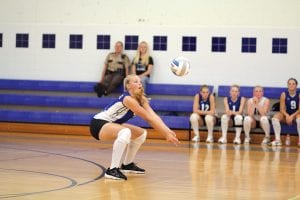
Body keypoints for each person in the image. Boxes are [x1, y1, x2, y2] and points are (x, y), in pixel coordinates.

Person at [89, 74, 179, 180]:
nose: (139, 83)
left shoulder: (141, 99)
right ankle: (112, 170)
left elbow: (153, 116)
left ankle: (127, 164)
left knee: (141, 134)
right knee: (125, 132)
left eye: (140, 82)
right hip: (98, 124)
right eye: (135, 81)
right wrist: (165, 134)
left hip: (113, 124)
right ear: (128, 86)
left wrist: (168, 131)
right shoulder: (128, 99)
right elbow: (148, 119)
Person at [271, 78, 300, 146]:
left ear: (296, 85)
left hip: (296, 115)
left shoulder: (299, 95)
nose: (291, 85)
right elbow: (282, 109)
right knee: (275, 118)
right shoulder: (284, 94)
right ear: (287, 85)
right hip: (285, 114)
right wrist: (287, 116)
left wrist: (292, 116)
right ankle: (278, 140)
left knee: (299, 119)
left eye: (293, 84)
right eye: (289, 84)